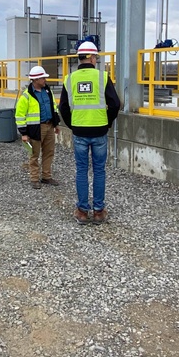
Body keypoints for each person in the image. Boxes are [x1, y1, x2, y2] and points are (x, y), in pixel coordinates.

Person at [59, 41, 120, 225]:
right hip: (100, 130)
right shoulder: (102, 77)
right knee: (99, 170)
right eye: (96, 57)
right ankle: (99, 212)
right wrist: (107, 122)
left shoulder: (69, 79)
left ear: (79, 58)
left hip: (80, 131)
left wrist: (73, 125)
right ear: (93, 57)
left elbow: (63, 107)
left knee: (82, 170)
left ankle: (83, 211)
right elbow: (116, 104)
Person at [15, 65, 61, 189]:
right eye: (42, 78)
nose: (45, 80)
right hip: (36, 129)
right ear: (35, 80)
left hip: (49, 126)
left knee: (49, 152)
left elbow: (53, 107)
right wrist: (24, 133)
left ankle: (46, 176)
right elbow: (19, 115)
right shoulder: (26, 96)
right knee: (34, 154)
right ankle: (34, 178)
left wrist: (56, 123)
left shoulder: (48, 91)